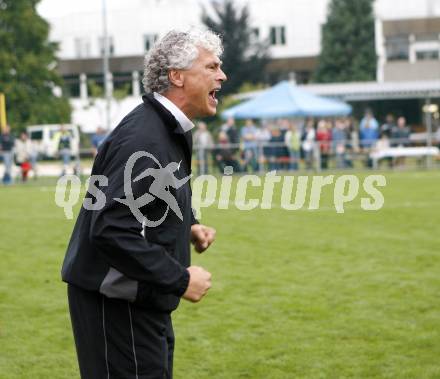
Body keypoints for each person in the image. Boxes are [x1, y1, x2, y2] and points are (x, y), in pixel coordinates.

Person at [61, 29, 226, 379]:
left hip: (142, 300)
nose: (222, 75)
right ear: (176, 76)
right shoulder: (145, 137)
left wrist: (188, 224)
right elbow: (110, 229)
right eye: (211, 67)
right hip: (118, 304)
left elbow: (153, 198)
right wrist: (180, 279)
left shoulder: (167, 128)